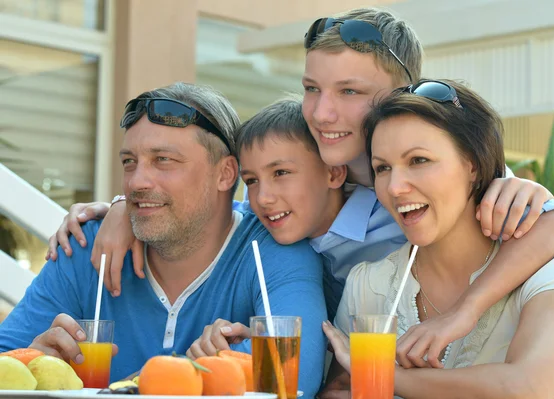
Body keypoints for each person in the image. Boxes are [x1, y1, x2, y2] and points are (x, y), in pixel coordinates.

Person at [46, 7, 554, 362]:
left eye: (350, 93)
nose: (323, 111)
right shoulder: (305, 180)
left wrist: (545, 211)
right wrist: (124, 207)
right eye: (311, 88)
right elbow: (225, 207)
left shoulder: (447, 177)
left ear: (403, 96)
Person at [0, 83, 327, 397]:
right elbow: (7, 355)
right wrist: (29, 360)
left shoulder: (270, 244)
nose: (137, 182)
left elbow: (294, 369)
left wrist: (132, 388)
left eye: (164, 160)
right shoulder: (86, 244)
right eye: (130, 162)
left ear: (226, 174)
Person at [323, 79, 554, 398]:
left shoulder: (550, 271)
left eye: (418, 160)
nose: (394, 187)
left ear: (472, 165)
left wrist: (383, 376)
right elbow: (338, 391)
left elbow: (528, 387)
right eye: (382, 168)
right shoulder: (367, 285)